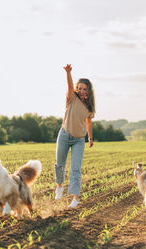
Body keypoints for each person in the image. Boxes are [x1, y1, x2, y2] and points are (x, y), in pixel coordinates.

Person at [54, 64, 96, 208]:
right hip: (64, 136)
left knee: (75, 169)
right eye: (80, 88)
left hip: (79, 140)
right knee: (60, 164)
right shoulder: (71, 98)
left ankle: (75, 198)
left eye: (84, 89)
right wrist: (68, 73)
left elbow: (88, 123)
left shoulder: (89, 107)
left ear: (89, 91)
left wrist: (90, 138)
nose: (81, 91)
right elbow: (69, 84)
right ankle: (59, 186)